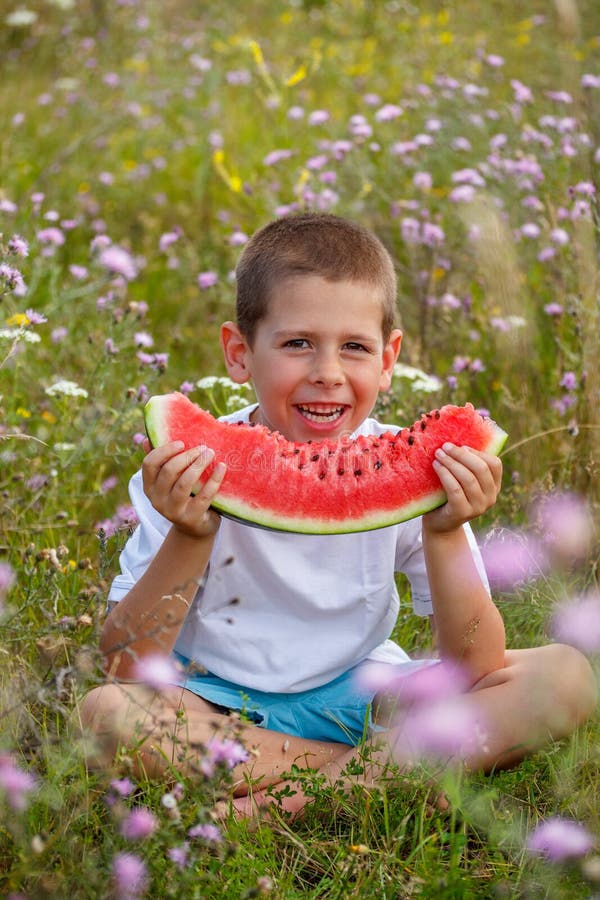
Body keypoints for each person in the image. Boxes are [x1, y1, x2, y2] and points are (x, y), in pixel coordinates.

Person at [79, 212, 596, 816]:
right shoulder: (186, 471)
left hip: (368, 697)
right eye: (298, 343)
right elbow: (124, 662)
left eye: (354, 347)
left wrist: (446, 530)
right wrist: (191, 534)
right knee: (107, 713)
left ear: (388, 358)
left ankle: (275, 806)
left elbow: (473, 667)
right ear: (240, 353)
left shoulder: (423, 473)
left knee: (567, 676)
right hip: (216, 704)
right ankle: (378, 776)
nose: (327, 372)